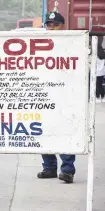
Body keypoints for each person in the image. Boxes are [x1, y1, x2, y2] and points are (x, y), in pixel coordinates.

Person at [37, 11, 76, 184]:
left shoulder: (73, 42)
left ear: (63, 26)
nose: (52, 28)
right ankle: (49, 167)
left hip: (66, 94)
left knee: (65, 130)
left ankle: (67, 170)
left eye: (56, 25)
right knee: (44, 130)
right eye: (49, 25)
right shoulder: (39, 44)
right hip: (45, 93)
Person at [95, 36, 105, 103]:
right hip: (102, 72)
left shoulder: (95, 55)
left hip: (96, 72)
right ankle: (103, 97)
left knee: (96, 85)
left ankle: (97, 97)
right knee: (101, 85)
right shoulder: (103, 54)